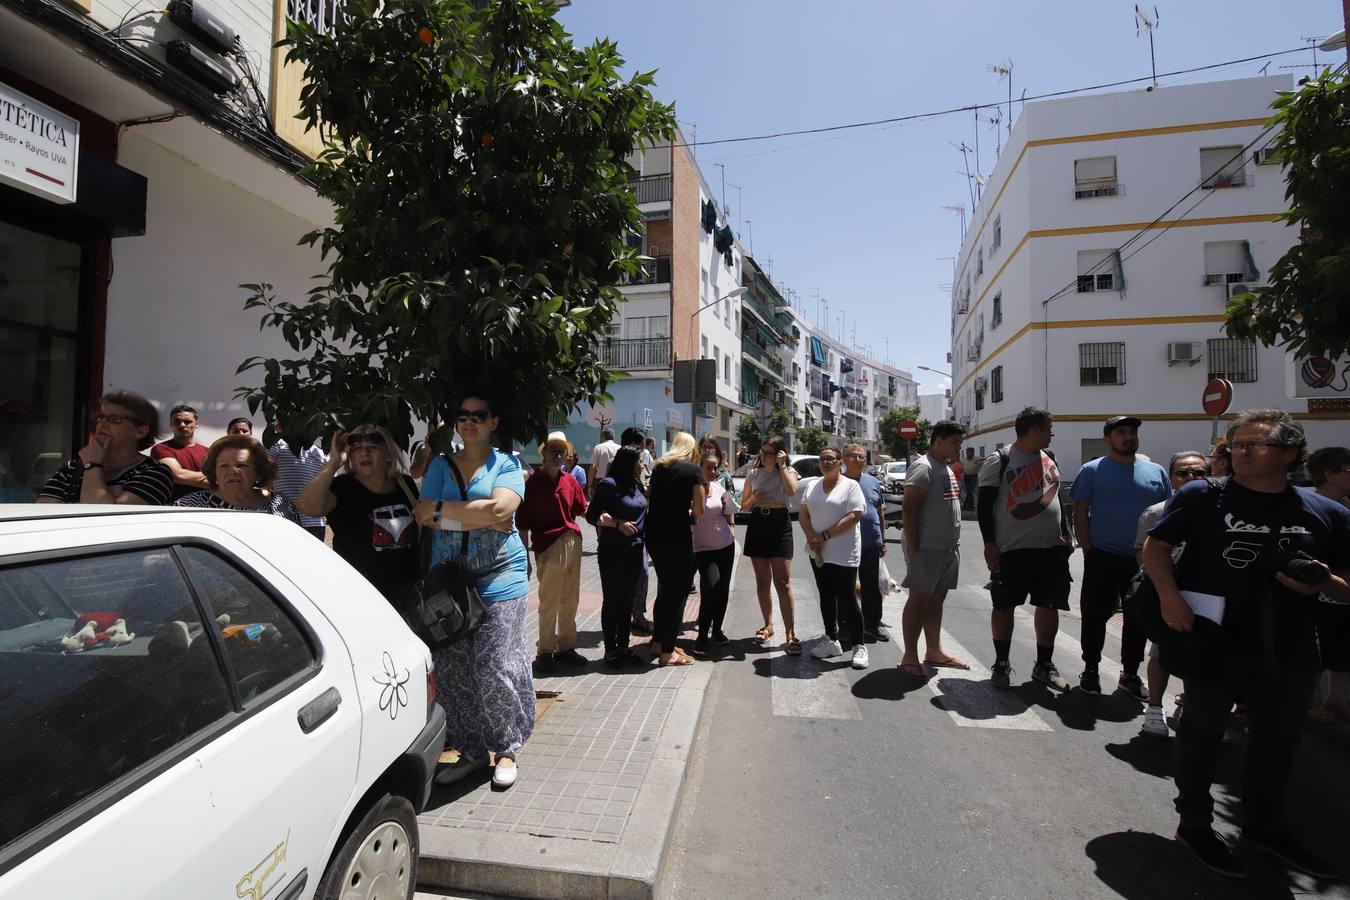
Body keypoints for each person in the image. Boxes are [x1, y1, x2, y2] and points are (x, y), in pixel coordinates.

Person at [1143, 410, 1350, 879]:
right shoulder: (1202, 496)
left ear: (1291, 454)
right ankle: (1194, 824)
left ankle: (1265, 827)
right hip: (1216, 641)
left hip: (1293, 647)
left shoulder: (1328, 512)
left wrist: (1323, 583)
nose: (1241, 452)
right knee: (1201, 733)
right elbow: (1155, 548)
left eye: (1255, 445)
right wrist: (1169, 597)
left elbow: (1346, 584)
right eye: (1236, 445)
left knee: (1277, 741)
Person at [414, 392, 532, 790]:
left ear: (493, 421)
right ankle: (472, 749)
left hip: (501, 577)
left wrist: (442, 515)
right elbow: (420, 512)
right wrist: (476, 516)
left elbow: (503, 511)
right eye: (461, 415)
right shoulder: (441, 465)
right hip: (449, 582)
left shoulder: (508, 464)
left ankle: (506, 748)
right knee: (454, 670)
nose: (469, 421)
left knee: (494, 665)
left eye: (478, 415)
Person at [1071, 416, 1171, 698]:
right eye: (1121, 432)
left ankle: (1130, 673)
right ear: (1108, 439)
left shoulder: (1156, 471)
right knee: (1094, 615)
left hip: (1142, 560)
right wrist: (1087, 547)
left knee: (1137, 618)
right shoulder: (1091, 470)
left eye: (1132, 432)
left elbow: (1167, 512)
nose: (1129, 437)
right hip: (1102, 555)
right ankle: (1090, 669)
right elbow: (1080, 510)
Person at [978, 407, 1073, 692]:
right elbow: (984, 506)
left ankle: (1044, 665)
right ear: (1034, 430)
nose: (1052, 432)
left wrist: (1067, 536)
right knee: (1004, 605)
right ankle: (1002, 664)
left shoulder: (1049, 458)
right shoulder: (1000, 460)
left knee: (1049, 605)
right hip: (1012, 549)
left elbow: (1056, 499)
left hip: (1051, 550)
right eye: (1049, 426)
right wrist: (990, 544)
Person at [297, 425, 420, 605]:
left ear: (388, 453)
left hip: (409, 594)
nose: (364, 453)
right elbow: (307, 507)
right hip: (359, 596)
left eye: (373, 447)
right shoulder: (342, 487)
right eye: (357, 449)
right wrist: (333, 463)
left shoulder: (405, 484)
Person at [1134, 450, 1210, 737]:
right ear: (1172, 478)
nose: (1191, 478)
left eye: (1199, 473)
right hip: (1166, 594)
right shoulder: (1156, 513)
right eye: (1183, 473)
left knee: (1203, 653)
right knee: (1162, 651)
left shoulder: (1219, 514)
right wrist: (1165, 595)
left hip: (1207, 596)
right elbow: (1143, 559)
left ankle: (1195, 708)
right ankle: (1154, 709)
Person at [897, 420, 968, 679]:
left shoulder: (945, 467)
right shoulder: (923, 467)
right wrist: (915, 550)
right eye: (955, 442)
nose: (959, 447)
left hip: (947, 549)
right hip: (927, 549)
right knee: (918, 601)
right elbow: (909, 509)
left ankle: (934, 650)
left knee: (937, 599)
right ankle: (909, 656)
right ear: (938, 440)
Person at [517, 431, 589, 674]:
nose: (558, 456)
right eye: (553, 451)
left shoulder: (570, 481)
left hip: (572, 540)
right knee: (549, 601)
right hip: (548, 545)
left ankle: (566, 647)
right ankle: (545, 651)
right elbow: (523, 524)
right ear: (543, 454)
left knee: (571, 599)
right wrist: (525, 557)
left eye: (562, 452)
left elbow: (582, 509)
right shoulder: (533, 484)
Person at [38, 390, 173, 506]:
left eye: (114, 419)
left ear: (140, 431)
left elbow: (106, 518)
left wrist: (92, 466)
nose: (102, 423)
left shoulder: (155, 473)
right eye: (100, 417)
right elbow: (44, 513)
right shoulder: (72, 468)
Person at [801, 447, 870, 670]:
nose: (826, 462)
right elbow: (803, 513)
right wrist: (812, 536)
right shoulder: (812, 485)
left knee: (848, 597)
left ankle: (859, 645)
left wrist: (824, 535)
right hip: (818, 550)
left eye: (830, 459)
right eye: (822, 459)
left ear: (840, 461)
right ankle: (831, 639)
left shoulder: (851, 486)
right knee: (826, 595)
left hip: (843, 551)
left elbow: (854, 516)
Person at [645, 432, 706, 666]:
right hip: (677, 536)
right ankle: (667, 652)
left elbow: (653, 499)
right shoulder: (693, 471)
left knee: (664, 588)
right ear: (691, 449)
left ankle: (658, 642)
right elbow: (699, 510)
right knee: (677, 592)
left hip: (654, 535)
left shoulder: (660, 467)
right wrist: (689, 511)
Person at [586, 445, 648, 667]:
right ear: (629, 462)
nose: (643, 465)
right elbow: (591, 514)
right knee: (613, 599)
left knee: (628, 600)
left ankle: (624, 646)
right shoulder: (608, 485)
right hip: (613, 551)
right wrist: (616, 524)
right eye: (640, 461)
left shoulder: (636, 485)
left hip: (635, 550)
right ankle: (610, 650)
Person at [741, 436, 801, 654]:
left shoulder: (788, 472)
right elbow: (745, 506)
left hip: (779, 523)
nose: (764, 456)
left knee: (783, 582)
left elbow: (792, 491)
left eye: (770, 452)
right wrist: (755, 499)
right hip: (758, 522)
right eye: (763, 451)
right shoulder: (753, 474)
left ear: (780, 454)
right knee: (762, 580)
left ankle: (791, 634)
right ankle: (768, 625)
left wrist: (783, 466)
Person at [1307, 446, 1350, 722]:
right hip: (1317, 597)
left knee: (1342, 654)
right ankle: (1306, 706)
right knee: (1312, 657)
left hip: (1342, 598)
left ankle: (1336, 703)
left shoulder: (1345, 507)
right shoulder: (1309, 509)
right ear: (1330, 475)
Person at [175, 435, 301, 523]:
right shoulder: (189, 506)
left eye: (242, 465)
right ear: (214, 472)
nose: (233, 472)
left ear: (258, 472)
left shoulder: (281, 504)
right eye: (224, 466)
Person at [692, 443, 737, 656]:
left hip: (725, 546)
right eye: (709, 467)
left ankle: (717, 631)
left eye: (716, 468)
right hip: (703, 549)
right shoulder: (693, 489)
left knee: (723, 589)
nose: (713, 471)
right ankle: (701, 637)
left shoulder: (719, 486)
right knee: (711, 588)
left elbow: (728, 509)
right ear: (699, 467)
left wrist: (732, 524)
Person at [843, 443, 888, 641]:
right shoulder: (838, 481)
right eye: (853, 456)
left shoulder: (872, 481)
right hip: (845, 544)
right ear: (844, 459)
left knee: (871, 587)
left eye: (861, 457)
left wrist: (883, 539)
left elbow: (879, 511)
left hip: (871, 542)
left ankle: (873, 624)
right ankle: (844, 626)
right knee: (845, 587)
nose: (858, 460)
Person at [269, 432, 330, 540]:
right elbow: (263, 466)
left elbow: (331, 483)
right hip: (285, 518)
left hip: (315, 522)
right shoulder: (278, 445)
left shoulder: (320, 452)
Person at [151, 404, 210, 501]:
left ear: (196, 424)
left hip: (207, 507)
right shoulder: (162, 449)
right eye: (177, 421)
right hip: (176, 508)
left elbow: (220, 478)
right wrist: (211, 476)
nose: (182, 425)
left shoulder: (208, 451)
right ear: (171, 424)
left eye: (187, 422)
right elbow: (178, 476)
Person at [590, 428, 620, 497]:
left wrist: (589, 485)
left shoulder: (598, 447)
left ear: (602, 436)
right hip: (617, 481)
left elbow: (593, 467)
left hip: (601, 481)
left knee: (600, 504)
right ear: (614, 437)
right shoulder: (619, 448)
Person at [962, 446, 982, 511]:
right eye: (966, 453)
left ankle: (967, 505)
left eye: (968, 453)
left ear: (972, 453)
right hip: (966, 477)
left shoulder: (977, 459)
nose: (967, 454)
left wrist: (978, 462)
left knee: (970, 491)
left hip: (973, 476)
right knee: (968, 491)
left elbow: (986, 459)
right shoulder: (964, 459)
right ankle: (969, 505)